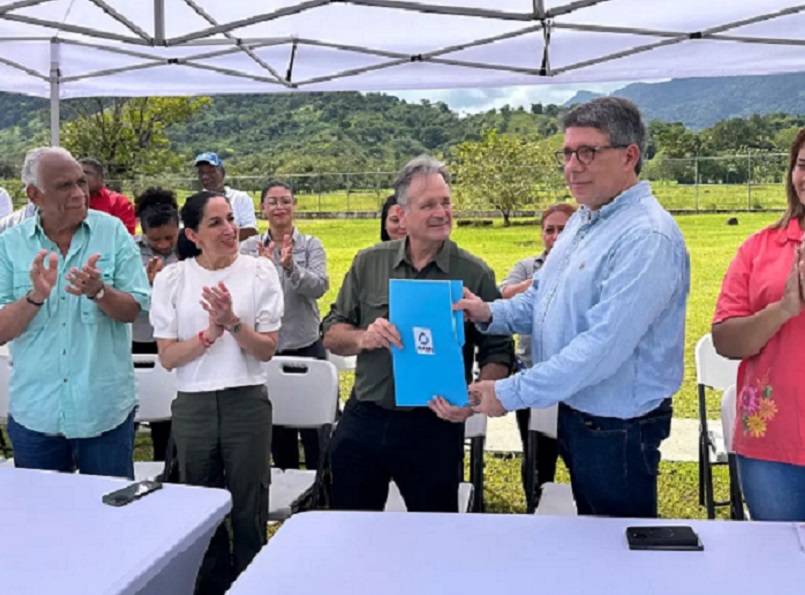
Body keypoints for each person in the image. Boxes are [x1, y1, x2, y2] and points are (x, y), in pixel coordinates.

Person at [455, 97, 690, 519]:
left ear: (629, 156)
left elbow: (601, 348)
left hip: (618, 428)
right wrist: (488, 314)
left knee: (618, 550)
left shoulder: (646, 237)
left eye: (587, 152)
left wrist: (507, 392)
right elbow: (543, 298)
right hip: (580, 412)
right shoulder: (585, 218)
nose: (572, 165)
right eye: (567, 153)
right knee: (591, 539)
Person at [323, 155, 514, 512]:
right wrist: (363, 337)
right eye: (428, 205)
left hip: (434, 424)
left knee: (433, 532)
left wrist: (472, 400)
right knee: (350, 523)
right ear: (402, 214)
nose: (441, 212)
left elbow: (499, 351)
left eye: (446, 202)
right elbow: (331, 332)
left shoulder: (473, 273)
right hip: (366, 416)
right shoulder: (369, 263)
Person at [150, 191, 283, 595]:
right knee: (199, 507)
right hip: (194, 404)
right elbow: (169, 357)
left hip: (246, 401)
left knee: (249, 504)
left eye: (230, 220)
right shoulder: (174, 279)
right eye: (215, 223)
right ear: (193, 234)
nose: (229, 230)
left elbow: (267, 348)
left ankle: (252, 582)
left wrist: (232, 322)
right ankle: (209, 584)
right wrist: (209, 334)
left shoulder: (259, 272)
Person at [0, 147, 149, 478]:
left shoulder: (112, 233)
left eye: (81, 182)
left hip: (104, 412)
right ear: (34, 195)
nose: (79, 193)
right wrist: (35, 297)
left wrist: (99, 291)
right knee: (44, 522)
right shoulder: (9, 245)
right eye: (64, 186)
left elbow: (134, 309)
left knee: (111, 519)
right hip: (37, 414)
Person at [711, 127, 805, 521]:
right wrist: (783, 309)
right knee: (779, 568)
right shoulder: (759, 247)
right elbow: (725, 340)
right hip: (772, 442)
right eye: (803, 165)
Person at [241, 180, 329, 470]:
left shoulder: (310, 245)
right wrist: (263, 271)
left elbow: (319, 287)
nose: (280, 207)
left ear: (295, 206)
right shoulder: (248, 248)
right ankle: (288, 484)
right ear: (262, 207)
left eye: (286, 201)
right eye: (273, 201)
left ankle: (321, 490)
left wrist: (291, 267)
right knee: (276, 426)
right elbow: (241, 294)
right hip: (267, 347)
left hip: (305, 344)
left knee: (315, 427)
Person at [499, 202, 575, 505]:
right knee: (536, 453)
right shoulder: (527, 267)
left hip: (575, 378)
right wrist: (546, 279)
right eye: (549, 230)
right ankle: (535, 505)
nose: (555, 237)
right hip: (531, 374)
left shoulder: (590, 269)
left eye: (563, 230)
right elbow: (504, 293)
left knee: (577, 453)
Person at [132, 187, 181, 462]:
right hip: (139, 339)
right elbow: (125, 294)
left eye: (169, 238)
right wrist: (146, 286)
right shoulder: (129, 250)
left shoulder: (188, 248)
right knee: (136, 404)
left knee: (167, 410)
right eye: (156, 239)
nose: (163, 245)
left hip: (175, 340)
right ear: (143, 231)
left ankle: (166, 465)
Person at [194, 152, 258, 241]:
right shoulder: (195, 203)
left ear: (222, 173)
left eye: (211, 171)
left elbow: (251, 231)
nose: (205, 176)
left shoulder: (240, 198)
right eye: (201, 173)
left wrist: (217, 238)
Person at [79, 158, 136, 234]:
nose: (80, 176)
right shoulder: (67, 200)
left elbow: (125, 236)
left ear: (101, 177)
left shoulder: (118, 202)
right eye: (78, 173)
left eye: (86, 173)